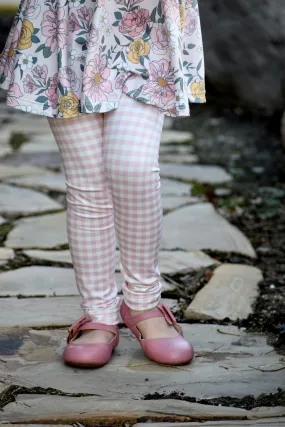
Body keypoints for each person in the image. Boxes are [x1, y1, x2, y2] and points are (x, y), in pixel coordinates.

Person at [0, 0, 206, 368]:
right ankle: (99, 313)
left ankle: (143, 301)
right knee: (87, 181)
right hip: (66, 22)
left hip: (145, 26)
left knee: (134, 168)